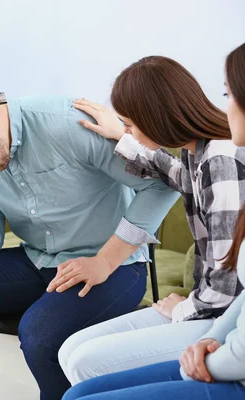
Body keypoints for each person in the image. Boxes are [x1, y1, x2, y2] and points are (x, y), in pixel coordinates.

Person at [0, 88, 180, 399]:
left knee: (39, 334)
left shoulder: (67, 123)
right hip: (41, 262)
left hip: (112, 268)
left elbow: (162, 187)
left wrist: (104, 261)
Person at [62, 42, 245, 400]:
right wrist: (122, 137)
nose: (127, 131)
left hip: (215, 316)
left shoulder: (220, 159)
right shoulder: (200, 152)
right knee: (71, 350)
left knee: (85, 361)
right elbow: (178, 175)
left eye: (131, 124)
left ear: (157, 115)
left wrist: (185, 308)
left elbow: (227, 280)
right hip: (208, 309)